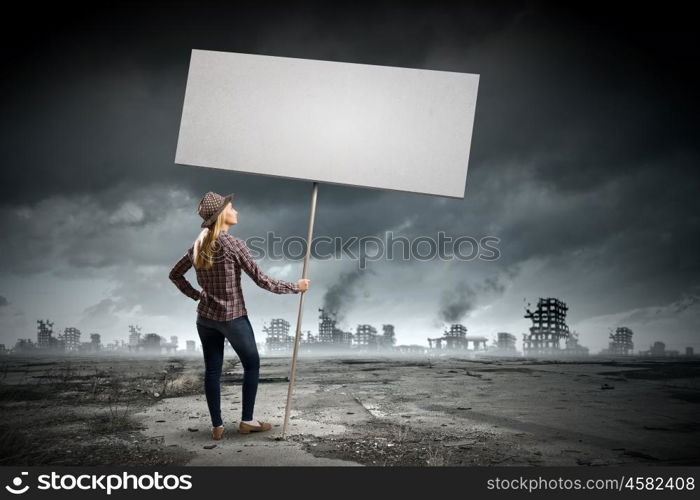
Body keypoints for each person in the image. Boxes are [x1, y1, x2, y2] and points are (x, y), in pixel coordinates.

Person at [168, 191, 310, 440]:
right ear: (222, 215)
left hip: (205, 318)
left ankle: (217, 426)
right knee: (252, 364)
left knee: (213, 370)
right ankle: (247, 421)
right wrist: (295, 287)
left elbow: (175, 274)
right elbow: (263, 280)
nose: (236, 211)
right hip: (233, 318)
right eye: (232, 207)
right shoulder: (234, 245)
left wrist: (196, 295)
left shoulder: (197, 246)